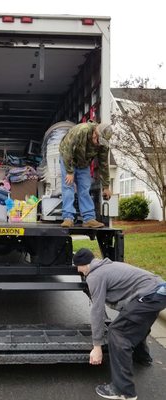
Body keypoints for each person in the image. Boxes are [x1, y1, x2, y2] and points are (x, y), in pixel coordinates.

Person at [73, 248, 166, 400]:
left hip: (149, 296)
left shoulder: (94, 276)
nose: (78, 270)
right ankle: (143, 357)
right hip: (159, 291)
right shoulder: (109, 266)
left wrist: (96, 347)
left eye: (78, 266)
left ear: (83, 265)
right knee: (134, 323)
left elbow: (96, 311)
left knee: (117, 333)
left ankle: (123, 390)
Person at [59, 121, 113, 228]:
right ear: (95, 133)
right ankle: (68, 218)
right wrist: (70, 172)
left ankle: (89, 219)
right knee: (68, 186)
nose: (98, 143)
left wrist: (106, 186)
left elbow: (104, 164)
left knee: (85, 188)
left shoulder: (103, 144)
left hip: (84, 162)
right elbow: (67, 151)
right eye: (97, 140)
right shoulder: (80, 131)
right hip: (68, 158)